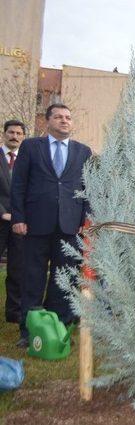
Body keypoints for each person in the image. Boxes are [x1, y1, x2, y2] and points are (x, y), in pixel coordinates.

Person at [11, 104, 92, 347]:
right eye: (58, 117)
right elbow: (19, 184)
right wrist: (18, 218)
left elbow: (88, 189)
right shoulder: (31, 147)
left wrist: (84, 220)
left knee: (64, 278)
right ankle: (30, 330)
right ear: (48, 121)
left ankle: (58, 326)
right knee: (33, 277)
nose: (64, 121)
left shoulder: (83, 151)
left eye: (68, 117)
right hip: (35, 224)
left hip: (70, 226)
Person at [1, 120, 26, 324]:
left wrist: (20, 216)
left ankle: (14, 313)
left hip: (19, 224)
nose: (14, 136)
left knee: (17, 269)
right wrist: (2, 213)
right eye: (11, 132)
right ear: (4, 134)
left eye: (19, 133)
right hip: (0, 220)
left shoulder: (26, 160)